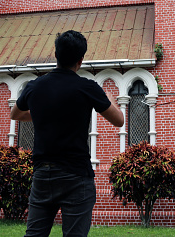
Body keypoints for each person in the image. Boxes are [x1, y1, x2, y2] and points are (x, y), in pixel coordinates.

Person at [10, 30, 124, 237]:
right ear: (80, 60)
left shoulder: (34, 86)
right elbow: (119, 120)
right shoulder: (87, 88)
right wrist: (108, 96)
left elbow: (15, 114)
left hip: (43, 175)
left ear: (56, 55)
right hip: (76, 176)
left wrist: (45, 114)